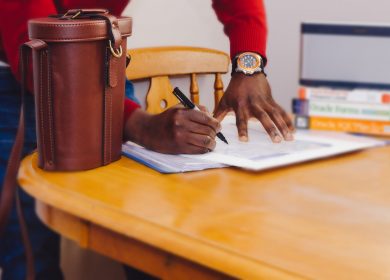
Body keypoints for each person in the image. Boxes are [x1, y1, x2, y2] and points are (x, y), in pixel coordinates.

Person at [0, 0, 294, 279]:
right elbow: (33, 56)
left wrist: (248, 65)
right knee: (28, 251)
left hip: (97, 60)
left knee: (133, 223)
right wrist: (141, 125)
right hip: (21, 75)